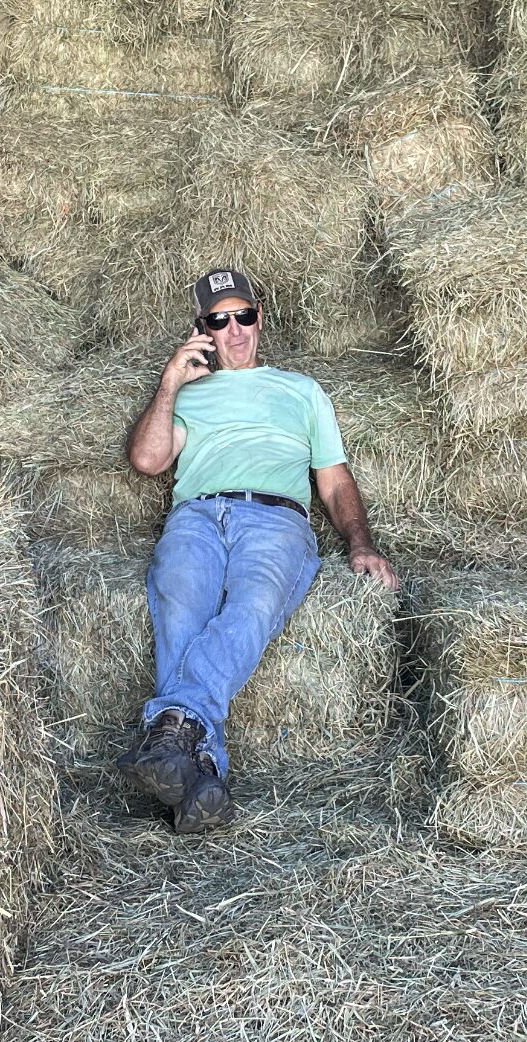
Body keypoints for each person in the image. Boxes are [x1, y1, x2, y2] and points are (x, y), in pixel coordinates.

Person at [116, 268, 400, 834]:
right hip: (197, 513)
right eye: (220, 321)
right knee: (180, 608)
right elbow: (147, 461)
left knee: (252, 607)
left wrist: (361, 543)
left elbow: (335, 481)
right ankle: (198, 771)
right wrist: (170, 383)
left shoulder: (301, 391)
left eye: (244, 315)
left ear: (259, 317)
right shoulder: (189, 395)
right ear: (204, 331)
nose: (235, 329)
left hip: (273, 519)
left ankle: (174, 726)